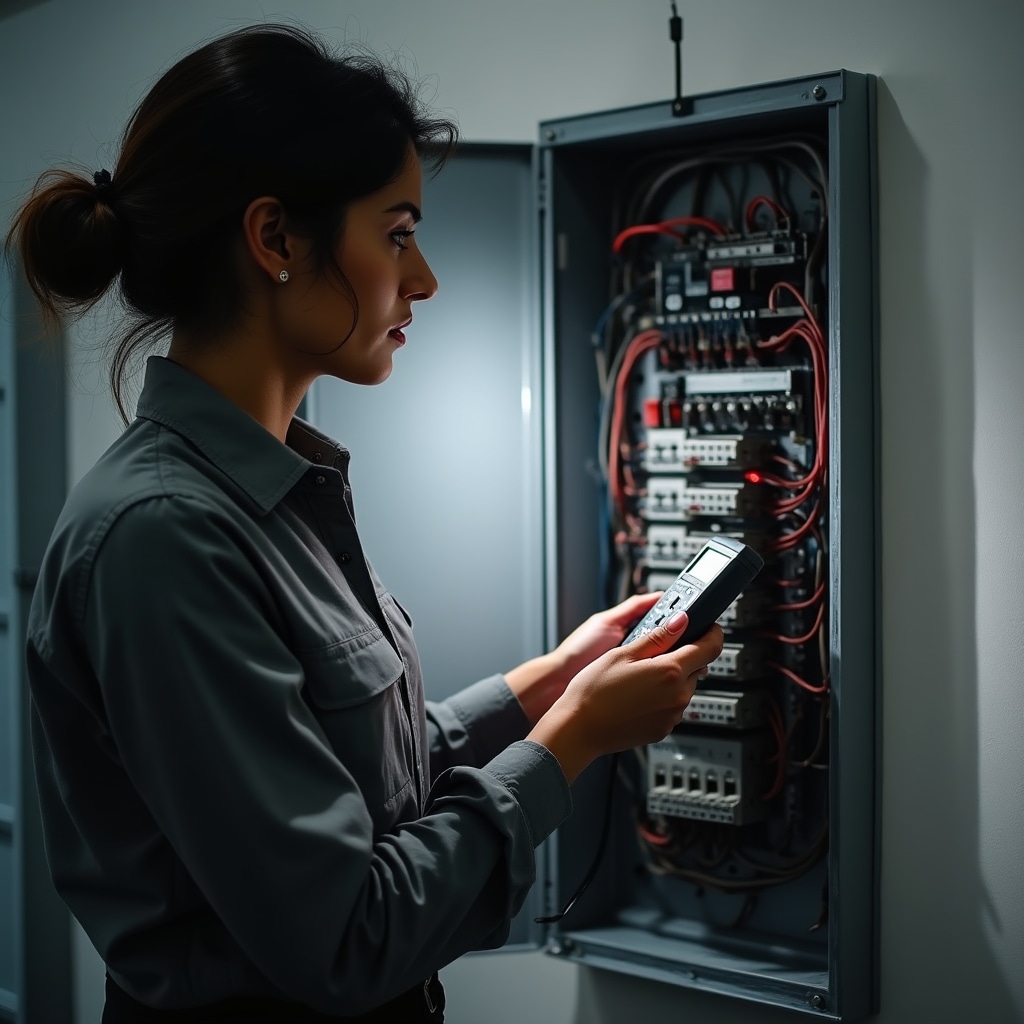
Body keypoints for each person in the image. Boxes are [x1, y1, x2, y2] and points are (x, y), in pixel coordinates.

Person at [5, 24, 724, 1024]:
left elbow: (347, 786)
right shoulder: (164, 537)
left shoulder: (274, 490)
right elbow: (345, 935)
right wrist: (570, 744)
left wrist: (543, 688)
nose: (422, 277)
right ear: (276, 240)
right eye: (395, 232)